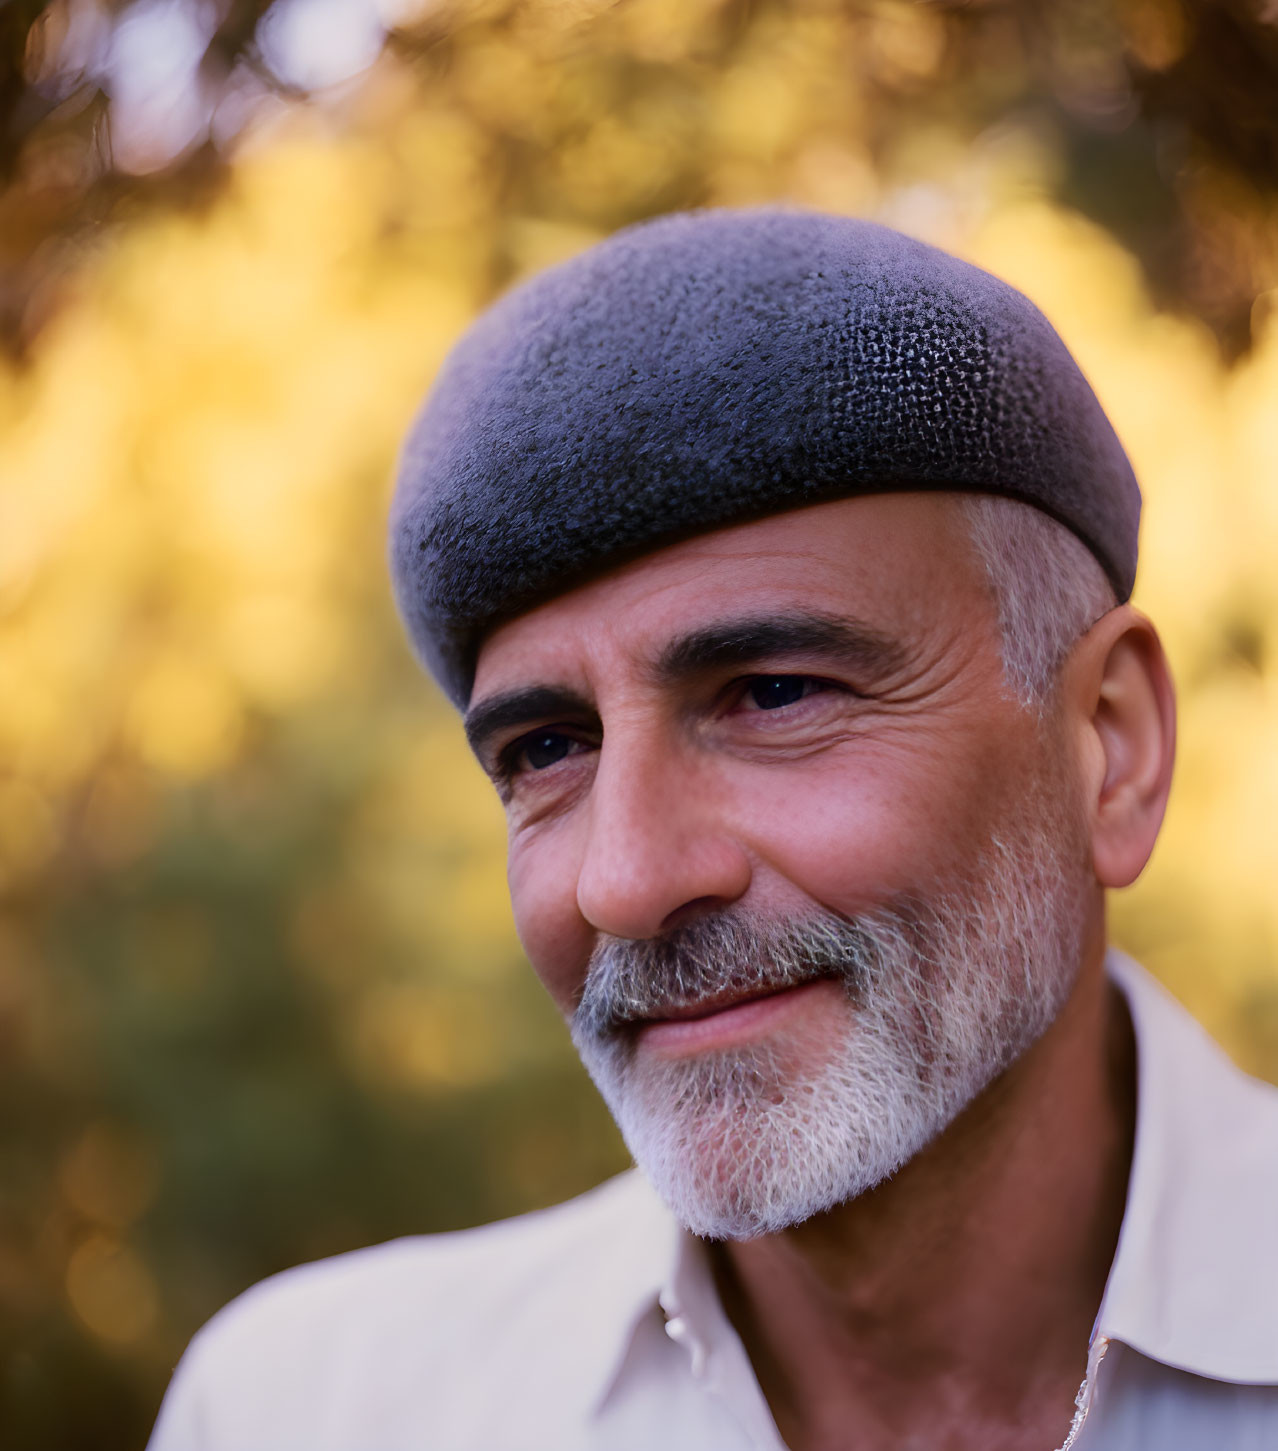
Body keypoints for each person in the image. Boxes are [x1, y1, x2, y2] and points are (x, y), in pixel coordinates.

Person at [147, 209, 1278, 1450]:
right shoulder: (311, 1412)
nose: (625, 881)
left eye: (774, 692)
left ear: (1109, 746)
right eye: (547, 750)